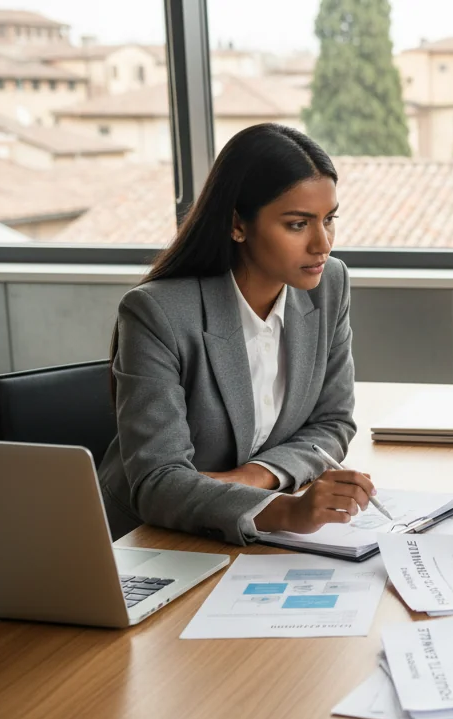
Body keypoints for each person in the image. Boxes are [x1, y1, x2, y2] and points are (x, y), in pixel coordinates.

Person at [98, 123, 375, 546]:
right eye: (298, 224)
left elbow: (331, 422)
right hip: (153, 541)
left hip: (248, 541)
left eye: (329, 219)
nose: (323, 244)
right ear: (237, 225)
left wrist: (254, 478)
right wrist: (286, 510)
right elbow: (157, 481)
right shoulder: (157, 313)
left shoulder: (329, 284)